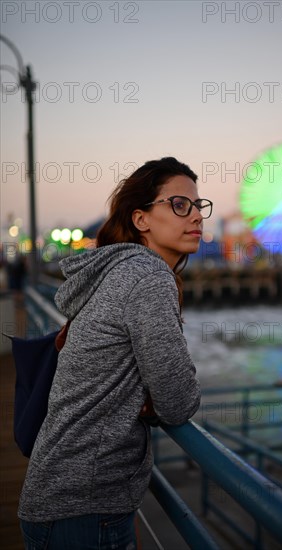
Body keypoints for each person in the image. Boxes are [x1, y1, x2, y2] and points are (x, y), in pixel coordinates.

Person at [18, 157, 213, 549]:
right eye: (179, 204)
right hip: (85, 509)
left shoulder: (115, 271)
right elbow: (178, 402)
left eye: (198, 205)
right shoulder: (148, 277)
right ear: (141, 219)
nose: (195, 216)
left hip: (57, 497)